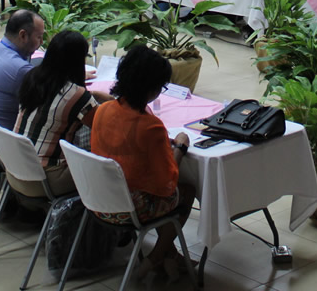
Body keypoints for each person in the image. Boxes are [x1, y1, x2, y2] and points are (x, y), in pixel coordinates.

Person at [91, 46, 195, 281]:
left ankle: (170, 257)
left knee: (158, 196)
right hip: (128, 208)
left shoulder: (103, 110)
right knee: (185, 192)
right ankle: (157, 256)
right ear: (152, 89)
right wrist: (180, 147)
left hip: (97, 198)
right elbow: (167, 184)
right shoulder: (151, 127)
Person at [12, 30, 114, 199]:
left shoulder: (33, 77)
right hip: (45, 180)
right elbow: (104, 127)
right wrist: (112, 103)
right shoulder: (76, 94)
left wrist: (92, 95)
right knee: (106, 165)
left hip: (14, 170)